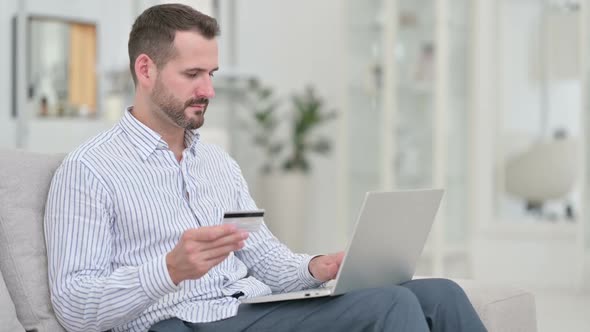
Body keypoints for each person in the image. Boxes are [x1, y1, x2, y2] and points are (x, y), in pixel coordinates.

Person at [44, 4, 487, 332]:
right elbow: (73, 305)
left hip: (250, 310)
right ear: (146, 69)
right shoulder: (90, 170)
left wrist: (317, 267)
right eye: (193, 74)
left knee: (441, 294)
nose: (209, 90)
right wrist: (170, 269)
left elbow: (265, 258)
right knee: (391, 307)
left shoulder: (216, 162)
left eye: (212, 73)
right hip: (183, 322)